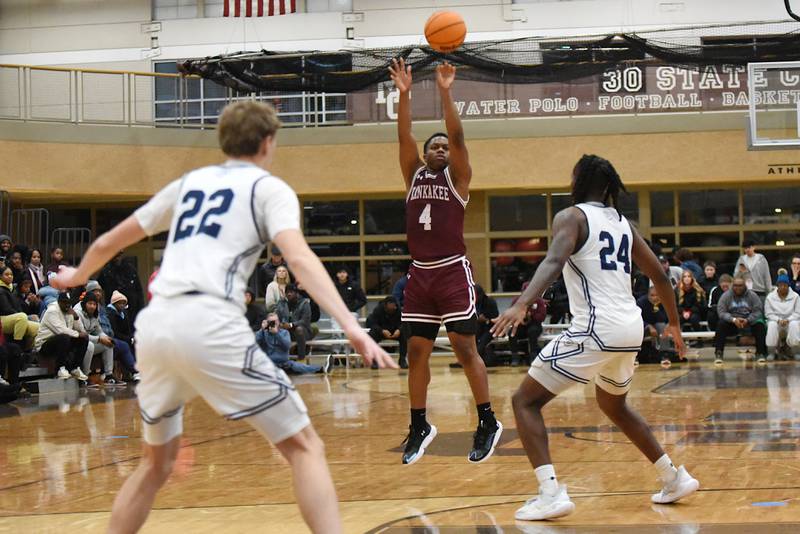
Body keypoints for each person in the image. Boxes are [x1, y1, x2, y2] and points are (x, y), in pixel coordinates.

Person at [51, 100, 394, 534]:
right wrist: (350, 325)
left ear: (222, 140)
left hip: (156, 328)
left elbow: (112, 240)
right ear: (269, 142)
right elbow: (299, 256)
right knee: (305, 446)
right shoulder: (268, 189)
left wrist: (76, 275)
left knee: (156, 463)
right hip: (208, 320)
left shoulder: (190, 183)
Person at [492, 154, 698, 521]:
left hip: (596, 328)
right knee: (614, 405)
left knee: (524, 401)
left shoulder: (571, 216)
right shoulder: (624, 224)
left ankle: (550, 493)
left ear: (579, 180)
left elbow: (553, 262)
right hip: (630, 329)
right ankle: (673, 476)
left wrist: (521, 304)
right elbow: (662, 278)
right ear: (609, 186)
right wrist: (674, 326)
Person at [389, 58, 502, 465]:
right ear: (424, 155)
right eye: (433, 147)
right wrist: (404, 95)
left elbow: (457, 135)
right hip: (420, 275)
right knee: (415, 351)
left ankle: (487, 420)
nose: (440, 149)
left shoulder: (459, 179)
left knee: (463, 346)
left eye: (444, 147)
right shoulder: (413, 176)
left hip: (453, 271)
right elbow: (403, 135)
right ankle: (419, 424)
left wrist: (445, 92)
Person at [87, 280, 140, 382]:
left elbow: (102, 327)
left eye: (99, 291)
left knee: (128, 343)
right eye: (95, 291)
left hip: (106, 337)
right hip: (94, 339)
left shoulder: (101, 308)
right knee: (122, 345)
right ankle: (133, 372)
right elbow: (91, 327)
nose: (98, 293)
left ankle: (115, 373)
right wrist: (102, 337)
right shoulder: (88, 307)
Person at [34, 292, 90, 381]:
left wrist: (76, 317)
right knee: (64, 337)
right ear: (59, 302)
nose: (67, 305)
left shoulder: (70, 311)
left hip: (62, 342)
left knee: (84, 338)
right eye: (64, 302)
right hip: (44, 344)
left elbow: (82, 331)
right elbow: (60, 330)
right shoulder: (52, 311)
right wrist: (78, 334)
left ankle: (75, 368)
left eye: (69, 303)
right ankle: (60, 368)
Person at [714, 275, 768, 365]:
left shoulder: (752, 295)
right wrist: (733, 319)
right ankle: (719, 353)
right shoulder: (726, 296)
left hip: (749, 322)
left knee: (760, 325)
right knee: (721, 324)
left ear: (745, 286)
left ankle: (760, 353)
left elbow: (758, 311)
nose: (738, 288)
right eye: (735, 285)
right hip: (733, 323)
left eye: (740, 285)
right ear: (732, 286)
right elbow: (721, 312)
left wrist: (748, 319)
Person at [74, 291, 124, 386]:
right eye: (90, 304)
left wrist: (106, 337)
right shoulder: (77, 313)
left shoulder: (94, 313)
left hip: (88, 340)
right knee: (90, 346)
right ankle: (84, 377)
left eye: (94, 304)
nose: (92, 306)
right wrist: (99, 339)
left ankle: (108, 375)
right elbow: (83, 335)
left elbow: (99, 330)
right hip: (76, 342)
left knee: (108, 344)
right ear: (85, 304)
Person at [256, 313, 326, 374]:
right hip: (269, 364)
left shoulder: (284, 332)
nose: (274, 323)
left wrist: (276, 334)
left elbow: (287, 346)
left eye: (276, 321)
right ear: (267, 322)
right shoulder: (263, 333)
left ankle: (321, 369)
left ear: (278, 321)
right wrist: (261, 329)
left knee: (300, 367)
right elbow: (254, 343)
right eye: (271, 322)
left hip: (284, 364)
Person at [99, 251, 145, 323]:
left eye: (119, 255)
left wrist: (141, 307)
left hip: (131, 307)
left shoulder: (130, 269)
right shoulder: (106, 271)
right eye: (115, 256)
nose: (117, 258)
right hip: (114, 309)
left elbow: (139, 290)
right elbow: (99, 287)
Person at [0, 267, 39, 350]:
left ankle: (28, 351)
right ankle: (17, 346)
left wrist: (32, 303)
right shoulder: (1, 290)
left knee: (38, 327)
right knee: (22, 317)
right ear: (0, 276)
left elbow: (19, 307)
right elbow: (6, 309)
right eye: (6, 274)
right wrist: (19, 313)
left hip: (14, 317)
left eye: (11, 274)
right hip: (3, 318)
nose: (10, 276)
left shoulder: (11, 288)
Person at [764, 272, 800, 361]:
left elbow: (798, 312)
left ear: (788, 286)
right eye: (781, 285)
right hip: (776, 321)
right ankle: (771, 352)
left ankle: (796, 352)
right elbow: (768, 313)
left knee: (794, 324)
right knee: (771, 325)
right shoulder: (770, 297)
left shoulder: (796, 296)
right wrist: (778, 320)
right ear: (777, 286)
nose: (783, 287)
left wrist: (788, 319)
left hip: (790, 321)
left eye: (785, 285)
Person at [276, 284, 315, 361]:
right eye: (287, 292)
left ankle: (301, 357)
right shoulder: (282, 303)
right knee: (274, 330)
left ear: (296, 293)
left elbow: (305, 320)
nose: (289, 294)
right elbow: (278, 317)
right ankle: (278, 359)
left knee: (299, 329)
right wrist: (281, 324)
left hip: (304, 332)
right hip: (288, 331)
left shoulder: (304, 303)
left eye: (291, 292)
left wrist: (291, 325)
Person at [366, 296, 406, 369]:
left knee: (405, 334)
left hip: (395, 332)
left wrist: (399, 330)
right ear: (385, 306)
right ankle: (374, 360)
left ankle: (402, 360)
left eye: (394, 306)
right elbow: (372, 323)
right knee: (371, 336)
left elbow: (404, 323)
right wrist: (382, 330)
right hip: (381, 331)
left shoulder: (399, 310)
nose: (393, 308)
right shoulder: (378, 310)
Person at [637, 286, 672, 366]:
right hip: (643, 325)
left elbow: (664, 319)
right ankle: (635, 355)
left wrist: (656, 307)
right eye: (652, 295)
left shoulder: (664, 302)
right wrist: (648, 326)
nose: (654, 298)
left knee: (662, 326)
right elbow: (636, 318)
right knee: (635, 328)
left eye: (657, 295)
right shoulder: (641, 302)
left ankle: (664, 354)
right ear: (648, 295)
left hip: (657, 326)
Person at [474, 285, 499, 364]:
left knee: (482, 342)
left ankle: (476, 362)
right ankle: (467, 360)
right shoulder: (472, 303)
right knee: (470, 339)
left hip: (492, 327)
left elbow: (496, 318)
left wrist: (486, 320)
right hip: (479, 326)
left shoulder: (490, 302)